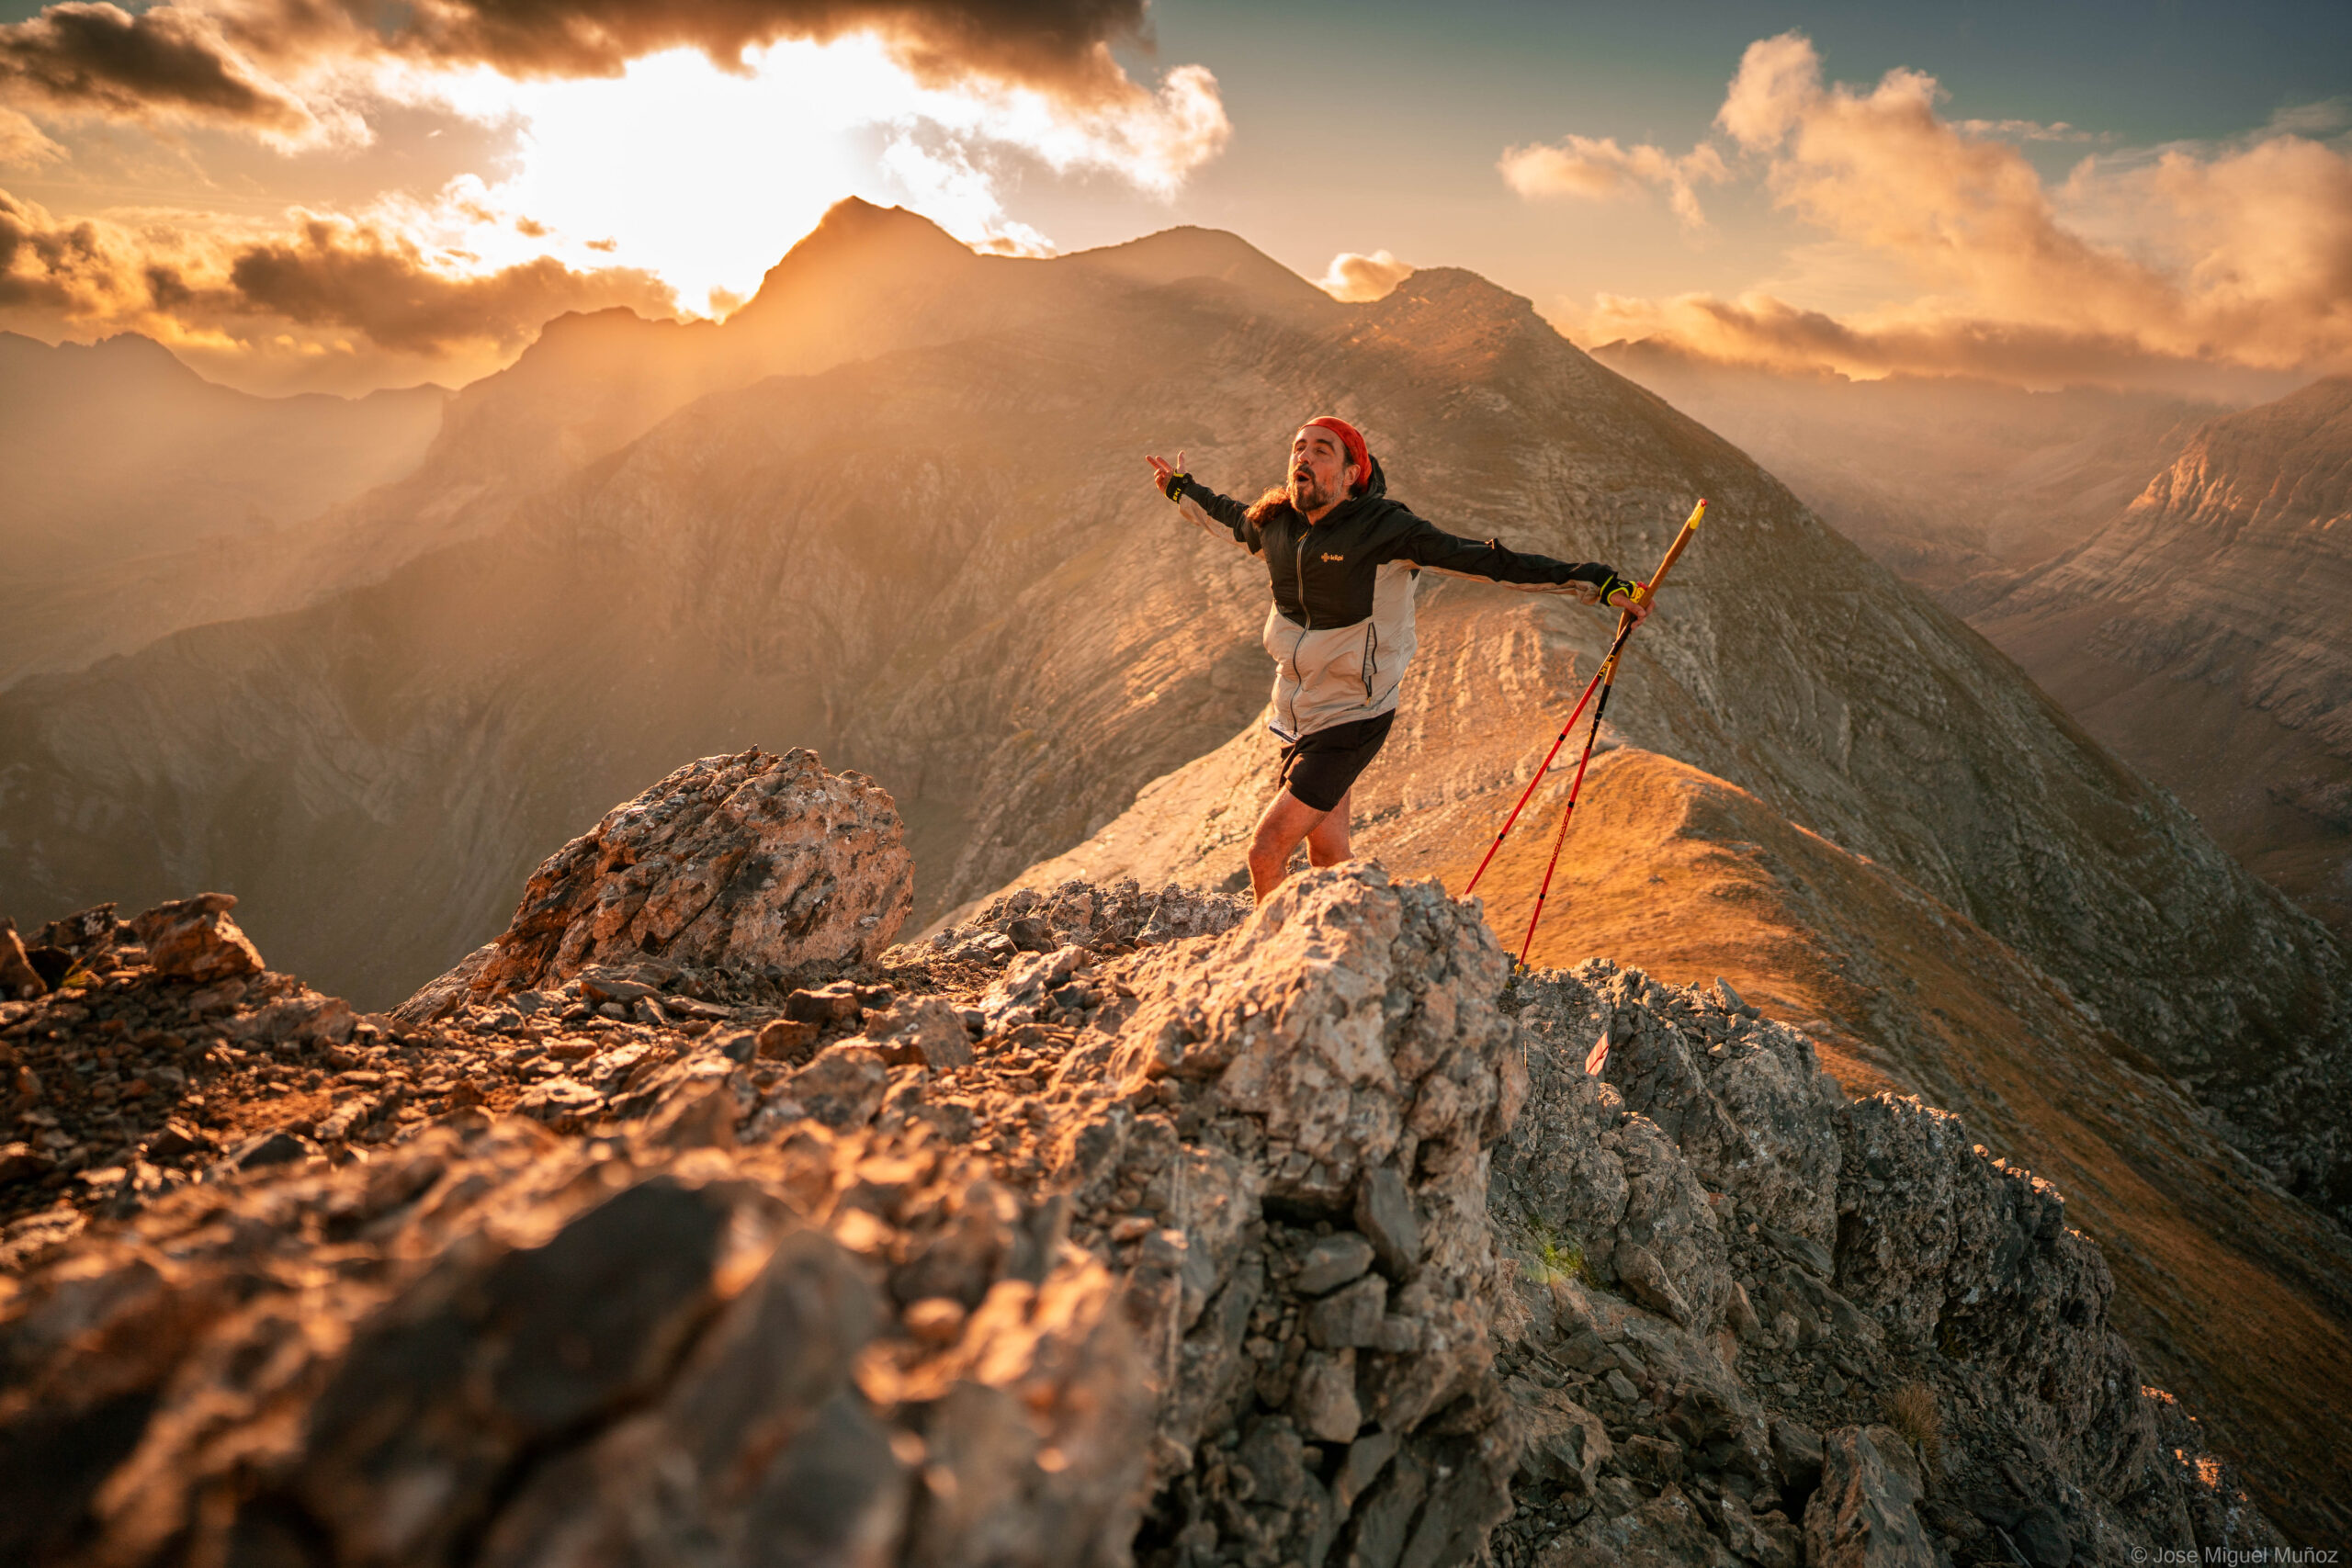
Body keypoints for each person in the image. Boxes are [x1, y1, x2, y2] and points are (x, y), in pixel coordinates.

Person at [1146, 416, 1645, 902]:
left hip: (1354, 715)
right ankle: (1358, 943)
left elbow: (1489, 561)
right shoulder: (1276, 525)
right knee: (1328, 852)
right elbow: (1228, 517)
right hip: (1298, 714)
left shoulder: (1385, 530)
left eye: (1322, 451)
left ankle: (1272, 965)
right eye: (1299, 447)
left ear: (1349, 476)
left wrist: (1598, 583)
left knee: (1265, 850)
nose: (1305, 456)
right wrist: (1178, 488)